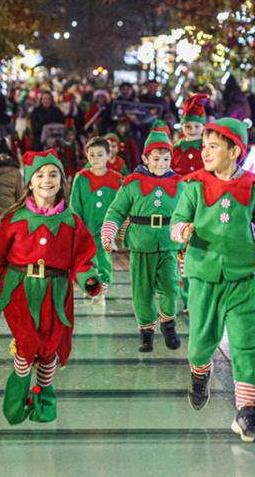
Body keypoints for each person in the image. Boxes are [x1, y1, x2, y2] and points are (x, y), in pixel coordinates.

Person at [170, 117, 255, 443]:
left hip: (241, 278)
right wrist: (182, 231)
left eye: (213, 146)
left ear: (234, 150)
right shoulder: (193, 185)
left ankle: (246, 411)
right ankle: (199, 374)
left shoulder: (254, 187)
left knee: (246, 344)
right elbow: (178, 219)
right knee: (201, 342)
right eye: (204, 146)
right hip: (202, 277)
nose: (205, 152)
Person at [0, 150, 101, 425]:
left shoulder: (71, 222)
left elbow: (82, 258)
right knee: (28, 343)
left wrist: (88, 278)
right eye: (40, 175)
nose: (47, 180)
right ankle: (17, 398)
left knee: (49, 348)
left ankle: (43, 399)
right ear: (30, 182)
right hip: (20, 290)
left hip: (56, 292)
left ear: (61, 180)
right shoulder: (16, 219)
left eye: (53, 174)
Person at [102, 126, 183, 352]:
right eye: (156, 158)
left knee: (170, 286)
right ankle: (146, 332)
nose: (161, 163)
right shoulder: (132, 183)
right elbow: (116, 210)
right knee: (142, 290)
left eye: (166, 158)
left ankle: (168, 323)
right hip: (140, 244)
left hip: (168, 244)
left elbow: (191, 211)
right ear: (145, 158)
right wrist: (109, 233)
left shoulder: (180, 184)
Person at [69, 136, 123, 300]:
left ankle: (102, 286)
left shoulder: (117, 179)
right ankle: (91, 285)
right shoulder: (81, 178)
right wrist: (77, 227)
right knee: (86, 259)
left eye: (100, 154)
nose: (95, 159)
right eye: (91, 155)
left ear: (108, 155)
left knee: (103, 258)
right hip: (85, 229)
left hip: (106, 230)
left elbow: (122, 206)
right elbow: (75, 205)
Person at [172, 93, 209, 176]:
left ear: (203, 126)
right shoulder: (175, 148)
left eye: (197, 126)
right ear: (182, 126)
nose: (192, 130)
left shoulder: (208, 147)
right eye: (187, 126)